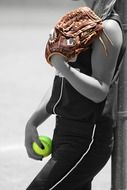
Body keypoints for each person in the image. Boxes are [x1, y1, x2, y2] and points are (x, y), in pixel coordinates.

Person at [25, 0, 123, 189]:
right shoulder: (80, 21)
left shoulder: (108, 27)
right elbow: (61, 80)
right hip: (64, 131)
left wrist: (63, 65)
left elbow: (100, 91)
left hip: (87, 139)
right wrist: (33, 122)